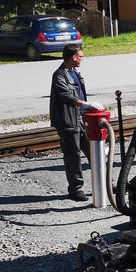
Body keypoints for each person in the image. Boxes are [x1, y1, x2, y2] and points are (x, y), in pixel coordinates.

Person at [49, 44, 90, 201]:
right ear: (73, 57)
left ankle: (103, 182)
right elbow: (66, 96)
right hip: (68, 120)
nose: (82, 59)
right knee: (73, 155)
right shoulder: (59, 75)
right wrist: (84, 104)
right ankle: (75, 189)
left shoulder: (76, 74)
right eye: (81, 56)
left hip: (80, 119)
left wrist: (86, 109)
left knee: (94, 151)